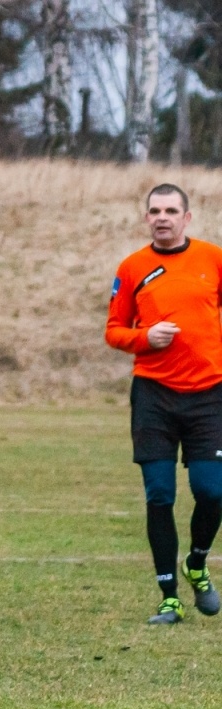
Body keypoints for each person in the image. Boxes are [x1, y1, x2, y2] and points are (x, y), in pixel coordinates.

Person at [105, 183, 222, 625]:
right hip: (154, 395)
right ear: (146, 218)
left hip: (209, 394)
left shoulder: (213, 259)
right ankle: (169, 598)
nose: (162, 218)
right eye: (155, 211)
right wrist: (145, 338)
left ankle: (197, 562)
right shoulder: (132, 267)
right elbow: (114, 330)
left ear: (186, 217)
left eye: (171, 211)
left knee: (212, 491)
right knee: (159, 494)